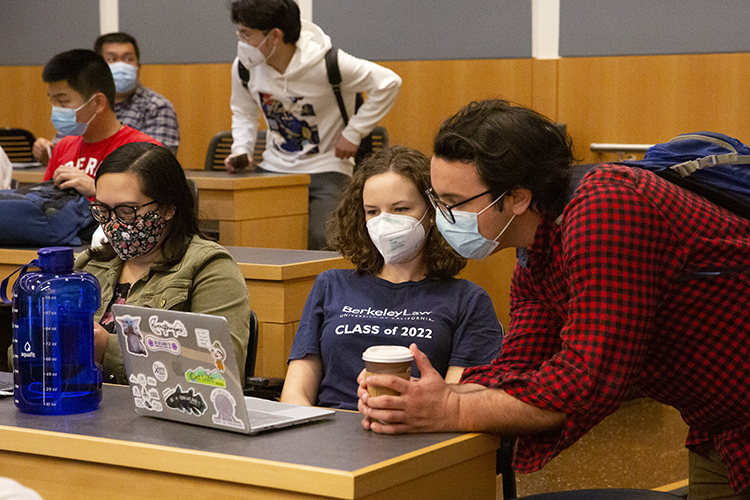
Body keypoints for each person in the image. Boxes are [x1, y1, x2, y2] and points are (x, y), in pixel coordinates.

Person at [357, 100, 750, 499]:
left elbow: (587, 380)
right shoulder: (537, 245)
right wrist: (419, 398)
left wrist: (450, 409)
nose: (443, 218)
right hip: (722, 426)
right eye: (436, 199)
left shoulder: (605, 209)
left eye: (454, 203)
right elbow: (519, 365)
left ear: (517, 198)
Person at [280, 146, 504, 410]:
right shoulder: (330, 285)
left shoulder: (467, 300)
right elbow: (295, 395)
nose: (384, 223)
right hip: (328, 436)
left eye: (400, 209)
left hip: (418, 433)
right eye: (372, 211)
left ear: (432, 212)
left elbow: (457, 405)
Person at [226, 0, 402, 250]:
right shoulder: (245, 68)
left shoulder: (328, 63)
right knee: (261, 238)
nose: (241, 43)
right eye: (239, 33)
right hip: (273, 167)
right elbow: (243, 112)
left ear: (275, 36)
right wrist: (241, 149)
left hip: (327, 167)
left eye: (247, 34)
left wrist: (353, 133)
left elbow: (388, 82)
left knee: (325, 240)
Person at [76, 142, 250, 385]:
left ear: (167, 209)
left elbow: (221, 371)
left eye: (127, 211)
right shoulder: (87, 265)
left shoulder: (208, 266)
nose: (113, 223)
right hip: (80, 409)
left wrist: (108, 349)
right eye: (103, 210)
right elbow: (18, 355)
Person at [33, 34, 179, 164]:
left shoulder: (157, 107)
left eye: (128, 59)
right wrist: (48, 153)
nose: (121, 65)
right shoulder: (81, 112)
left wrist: (95, 186)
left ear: (139, 66)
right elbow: (63, 155)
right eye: (112, 59)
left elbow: (157, 166)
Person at [38, 49, 160, 199]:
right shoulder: (62, 148)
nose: (56, 109)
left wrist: (97, 189)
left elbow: (155, 213)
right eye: (52, 100)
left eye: (63, 101)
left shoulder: (144, 150)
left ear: (98, 102)